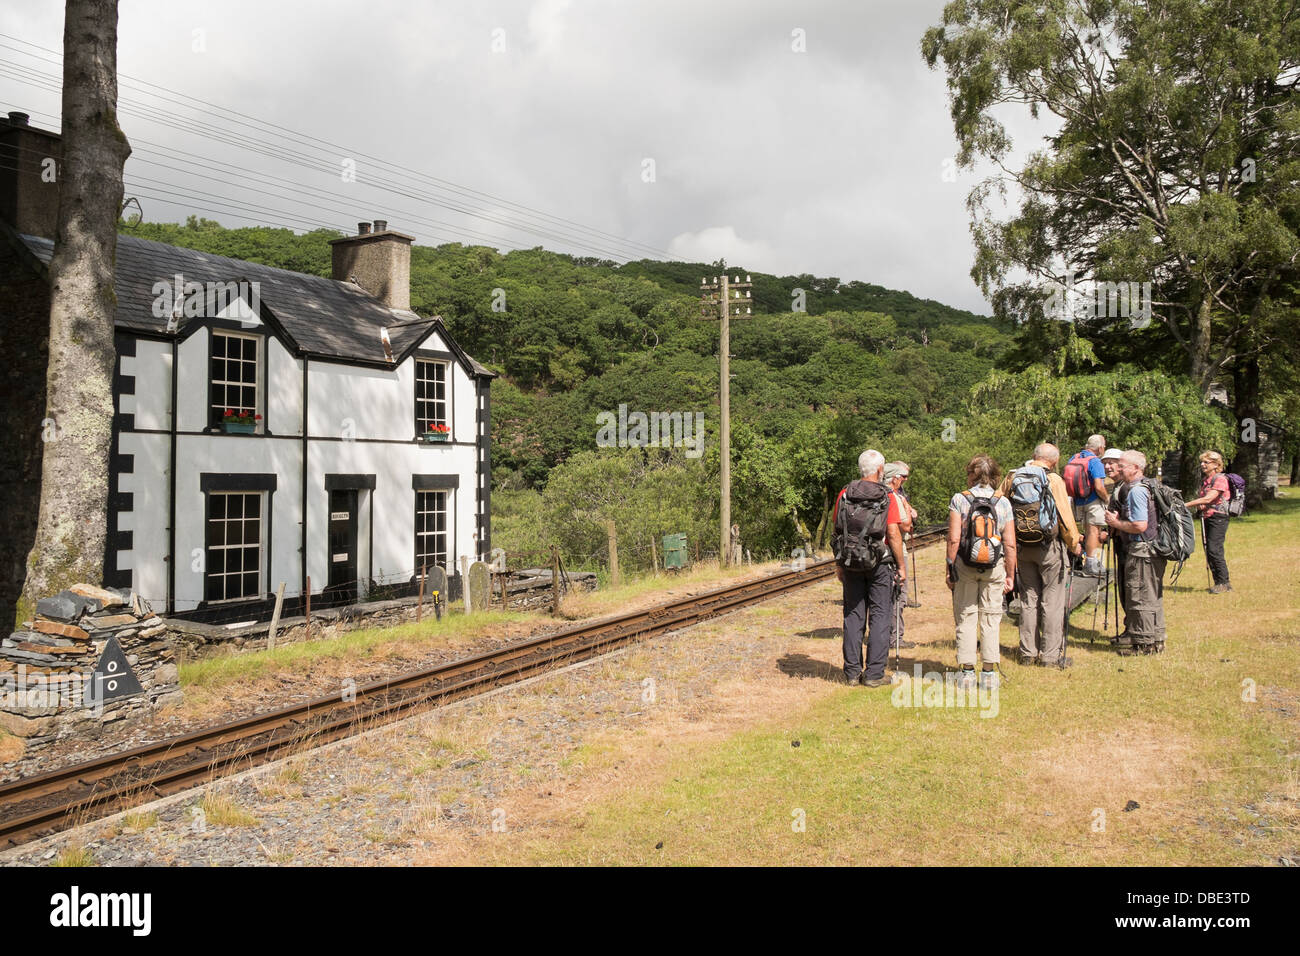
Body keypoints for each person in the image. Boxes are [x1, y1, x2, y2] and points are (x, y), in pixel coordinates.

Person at [998, 443, 1083, 668]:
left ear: (1033, 456)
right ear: (1054, 461)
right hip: (1049, 547)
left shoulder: (1012, 476)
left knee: (1028, 599)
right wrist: (1074, 543)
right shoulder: (1053, 480)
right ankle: (1050, 656)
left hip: (1022, 547)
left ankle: (1027, 653)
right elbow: (1064, 516)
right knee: (1052, 601)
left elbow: (998, 505)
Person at [832, 449, 907, 687]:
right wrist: (901, 566)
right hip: (881, 563)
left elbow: (838, 530)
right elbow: (893, 533)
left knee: (853, 615)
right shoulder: (888, 496)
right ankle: (874, 674)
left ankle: (852, 673)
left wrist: (839, 564)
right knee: (880, 615)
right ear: (880, 471)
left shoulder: (844, 494)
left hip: (851, 561)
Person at [946, 455, 1017, 690]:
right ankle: (988, 674)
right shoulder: (1003, 503)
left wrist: (950, 568)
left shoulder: (960, 499)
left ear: (971, 475)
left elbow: (954, 538)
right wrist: (1010, 574)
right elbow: (1010, 544)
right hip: (994, 566)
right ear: (995, 476)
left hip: (965, 565)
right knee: (991, 618)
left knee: (966, 617)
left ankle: (966, 673)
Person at [1104, 450, 1166, 655]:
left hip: (1142, 550)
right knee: (1152, 596)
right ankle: (1156, 640)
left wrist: (1115, 523)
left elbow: (1139, 525)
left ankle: (1143, 644)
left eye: (1122, 465)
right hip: (1153, 549)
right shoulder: (1149, 485)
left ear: (1136, 468)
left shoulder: (1137, 491)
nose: (1118, 469)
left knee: (1139, 597)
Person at [1185, 450, 1232, 593]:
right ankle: (1219, 582)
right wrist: (1202, 506)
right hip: (1208, 517)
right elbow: (1207, 501)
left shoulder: (1220, 479)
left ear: (1216, 464)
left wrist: (1185, 505)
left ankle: (1224, 583)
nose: (1202, 464)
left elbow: (1209, 498)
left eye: (1206, 462)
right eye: (1202, 462)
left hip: (1218, 517)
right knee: (1209, 550)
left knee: (1214, 549)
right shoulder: (1206, 480)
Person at [883, 461, 917, 650]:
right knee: (899, 595)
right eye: (903, 477)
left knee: (882, 596)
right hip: (895, 551)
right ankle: (896, 638)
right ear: (894, 478)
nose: (905, 480)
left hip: (877, 552)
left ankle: (881, 636)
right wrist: (906, 508)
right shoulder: (894, 497)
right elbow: (905, 526)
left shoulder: (876, 494)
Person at [1064, 435, 1110, 574]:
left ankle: (1077, 558)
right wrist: (1107, 499)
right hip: (1093, 500)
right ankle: (1090, 563)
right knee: (1093, 531)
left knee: (1081, 530)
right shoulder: (1095, 461)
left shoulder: (1075, 457)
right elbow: (1099, 486)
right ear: (1100, 448)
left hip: (1077, 500)